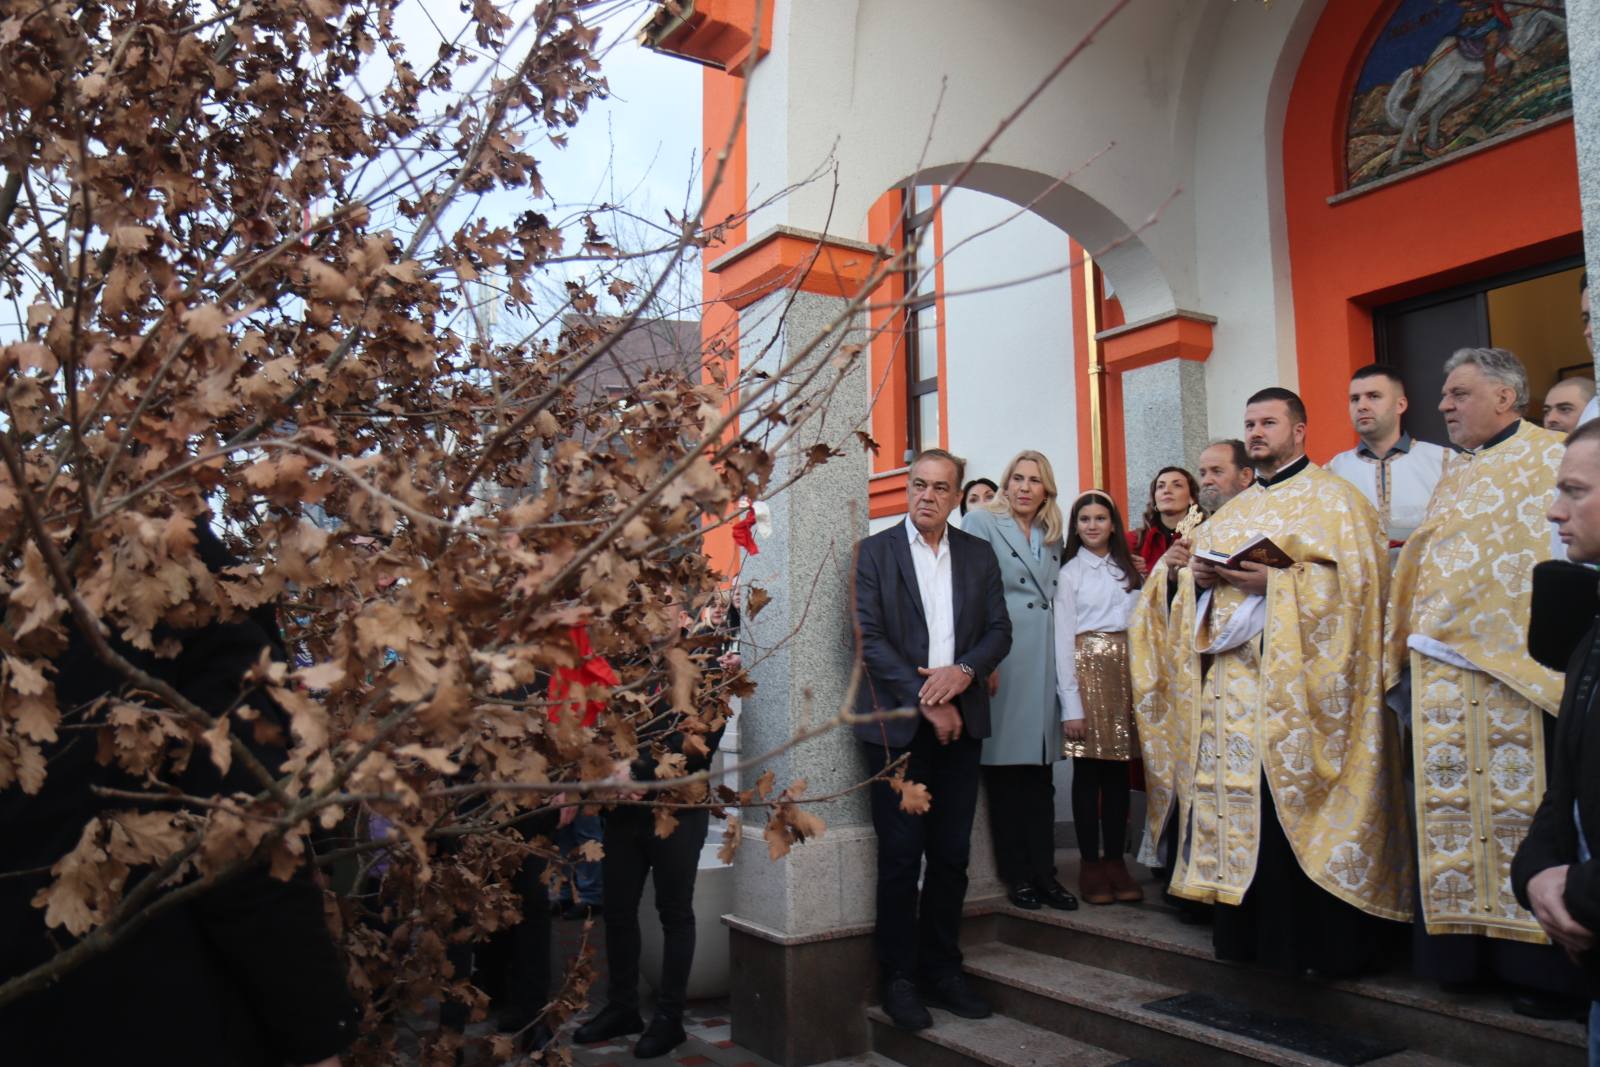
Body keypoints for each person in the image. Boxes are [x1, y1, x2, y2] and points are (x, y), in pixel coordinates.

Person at [0, 522, 356, 1067]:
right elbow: (239, 832)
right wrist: (317, 1034)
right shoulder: (186, 573)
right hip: (155, 1006)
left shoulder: (27, 560)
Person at [1162, 388, 1413, 975]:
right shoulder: (1233, 511)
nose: (1256, 432)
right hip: (1235, 699)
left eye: (1268, 422)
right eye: (1250, 423)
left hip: (1304, 700)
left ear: (1299, 430)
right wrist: (1198, 580)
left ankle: (1314, 949)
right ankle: (1249, 941)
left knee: (1291, 817)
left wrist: (1277, 584)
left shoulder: (1338, 501)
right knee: (1248, 816)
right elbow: (1193, 605)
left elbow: (1363, 595)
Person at [1386, 347, 1583, 1017]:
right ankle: (1462, 958)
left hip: (1516, 680)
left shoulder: (1553, 456)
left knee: (1520, 817)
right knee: (1453, 818)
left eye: (1458, 393)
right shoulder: (1456, 470)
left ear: (1505, 396)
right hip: (1444, 678)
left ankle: (1539, 969)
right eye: (1445, 393)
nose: (1443, 404)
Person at [852, 447, 1012, 1032]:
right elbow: (869, 640)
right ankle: (898, 977)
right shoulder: (875, 553)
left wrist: (963, 673)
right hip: (897, 732)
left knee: (951, 855)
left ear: (956, 496)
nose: (927, 496)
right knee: (901, 857)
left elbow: (999, 630)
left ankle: (943, 970)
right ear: (908, 488)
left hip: (961, 725)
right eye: (919, 484)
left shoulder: (978, 554)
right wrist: (928, 699)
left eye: (940, 488)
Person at [571, 599, 736, 1058]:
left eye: (667, 605)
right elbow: (601, 726)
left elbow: (700, 745)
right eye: (650, 605)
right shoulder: (626, 667)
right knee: (618, 910)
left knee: (675, 912)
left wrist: (637, 774)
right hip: (624, 812)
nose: (657, 614)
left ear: (683, 616)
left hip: (678, 810)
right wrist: (608, 773)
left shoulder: (708, 669)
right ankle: (622, 1006)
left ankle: (669, 1017)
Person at [1512, 418, 1600, 1064]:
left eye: (1574, 490)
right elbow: (1568, 775)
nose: (1553, 510)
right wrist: (1537, 872)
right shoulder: (1588, 626)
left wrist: (1581, 891)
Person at [1129, 440, 1254, 892]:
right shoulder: (1195, 535)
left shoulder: (1258, 521)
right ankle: (1190, 876)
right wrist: (1174, 573)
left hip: (1248, 681)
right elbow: (1157, 607)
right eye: (1204, 472)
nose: (1208, 480)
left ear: (1245, 476)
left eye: (1215, 472)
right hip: (1193, 679)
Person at [961, 450, 1079, 913]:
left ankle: (1046, 874)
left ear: (1046, 489)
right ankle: (1018, 875)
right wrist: (982, 661)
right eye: (1018, 478)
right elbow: (969, 593)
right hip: (1004, 659)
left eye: (1034, 480)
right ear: (1006, 483)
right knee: (1008, 776)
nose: (1025, 487)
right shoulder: (980, 522)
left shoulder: (1052, 533)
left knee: (1041, 777)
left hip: (1044, 661)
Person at [1054, 491, 1144, 905]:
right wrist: (1071, 705)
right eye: (1084, 519)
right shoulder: (1070, 573)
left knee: (1118, 773)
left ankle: (1115, 861)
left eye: (1100, 518)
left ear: (1113, 524)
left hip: (1126, 673)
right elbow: (1062, 641)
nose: (1092, 526)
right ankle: (1090, 863)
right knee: (1089, 774)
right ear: (1075, 526)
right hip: (1087, 672)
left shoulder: (1129, 569)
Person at [1325, 364, 1447, 555]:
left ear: (1400, 405)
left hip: (1426, 571)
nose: (1362, 406)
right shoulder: (1333, 471)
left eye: (1374, 396)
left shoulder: (1444, 462)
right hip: (1361, 574)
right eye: (1355, 399)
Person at [1127, 467, 1200, 578]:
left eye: (1177, 485)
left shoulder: (1204, 537)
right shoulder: (1132, 541)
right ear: (1154, 498)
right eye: (1160, 486)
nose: (1167, 490)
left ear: (1192, 498)